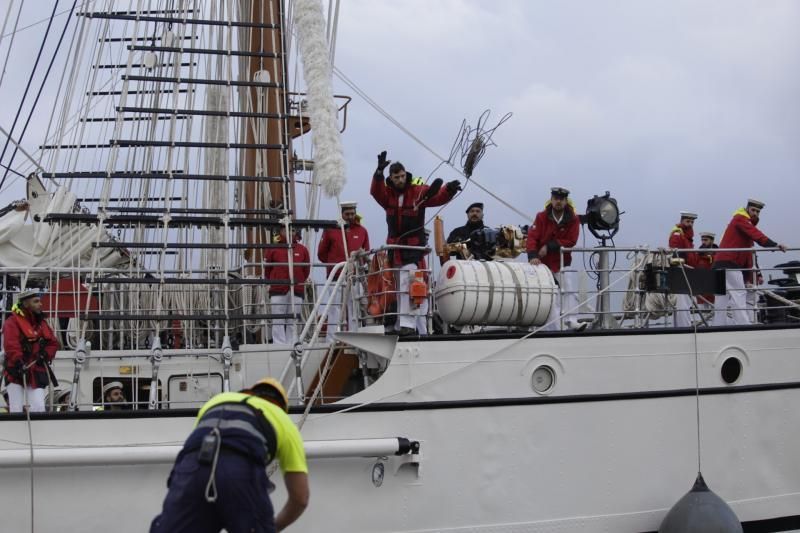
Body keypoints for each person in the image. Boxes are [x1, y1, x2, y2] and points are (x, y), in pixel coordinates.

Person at [150, 378, 309, 533]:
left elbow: (194, 446)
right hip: (241, 474)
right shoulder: (284, 422)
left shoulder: (218, 401)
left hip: (192, 469)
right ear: (282, 405)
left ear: (250, 392)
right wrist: (273, 527)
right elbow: (300, 498)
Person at [370, 151, 460, 335]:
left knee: (409, 283)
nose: (401, 180)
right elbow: (375, 192)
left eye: (402, 176)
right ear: (391, 178)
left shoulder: (417, 192)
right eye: (397, 177)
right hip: (395, 249)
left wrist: (449, 189)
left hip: (413, 248)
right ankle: (397, 324)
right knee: (396, 286)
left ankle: (407, 325)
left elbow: (435, 195)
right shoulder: (387, 195)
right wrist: (378, 172)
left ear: (406, 174)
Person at [713, 199, 786, 326]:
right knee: (739, 293)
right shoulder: (741, 219)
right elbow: (757, 235)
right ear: (747, 209)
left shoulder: (741, 224)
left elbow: (747, 256)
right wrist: (774, 245)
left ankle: (718, 326)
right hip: (729, 262)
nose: (756, 214)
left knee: (722, 298)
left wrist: (749, 276)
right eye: (753, 210)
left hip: (720, 263)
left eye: (758, 212)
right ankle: (743, 325)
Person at [527, 187, 584, 331]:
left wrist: (550, 246)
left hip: (562, 261)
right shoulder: (541, 217)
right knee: (549, 294)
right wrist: (533, 255)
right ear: (551, 200)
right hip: (543, 263)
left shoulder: (573, 219)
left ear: (566, 201)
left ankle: (571, 321)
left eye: (561, 199)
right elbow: (532, 237)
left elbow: (571, 240)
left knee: (569, 291)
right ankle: (552, 326)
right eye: (556, 198)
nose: (558, 201)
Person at [317, 201, 370, 334]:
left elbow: (366, 253)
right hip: (336, 277)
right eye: (347, 214)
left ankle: (353, 336)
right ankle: (332, 339)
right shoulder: (331, 230)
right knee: (335, 308)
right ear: (342, 214)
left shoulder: (362, 231)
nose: (350, 216)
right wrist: (335, 263)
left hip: (354, 277)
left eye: (353, 213)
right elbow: (321, 254)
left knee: (354, 309)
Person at [1, 289, 59, 413]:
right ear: (26, 304)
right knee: (16, 408)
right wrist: (19, 362)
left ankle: (38, 431)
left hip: (36, 371)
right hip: (16, 372)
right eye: (36, 301)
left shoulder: (42, 324)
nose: (40, 304)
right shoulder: (12, 322)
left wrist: (45, 354)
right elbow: (11, 345)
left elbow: (53, 343)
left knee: (38, 407)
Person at [265, 228, 310, 344]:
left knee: (293, 318)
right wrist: (273, 281)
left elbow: (306, 270)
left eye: (293, 230)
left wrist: (298, 280)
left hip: (296, 289)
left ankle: (292, 342)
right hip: (278, 288)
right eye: (286, 230)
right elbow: (267, 269)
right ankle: (279, 344)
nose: (290, 233)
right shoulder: (272, 249)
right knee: (278, 318)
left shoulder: (303, 250)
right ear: (280, 232)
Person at [668, 211, 699, 327]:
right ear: (681, 221)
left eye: (692, 222)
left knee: (684, 302)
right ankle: (683, 327)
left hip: (687, 271)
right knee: (682, 302)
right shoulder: (677, 234)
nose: (690, 224)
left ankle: (680, 326)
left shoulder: (687, 237)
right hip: (681, 271)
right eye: (687, 221)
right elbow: (675, 252)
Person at [696, 232, 718, 312]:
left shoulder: (719, 253)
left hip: (715, 283)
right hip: (702, 284)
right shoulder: (698, 253)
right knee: (701, 308)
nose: (703, 242)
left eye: (706, 240)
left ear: (712, 241)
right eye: (702, 240)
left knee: (716, 307)